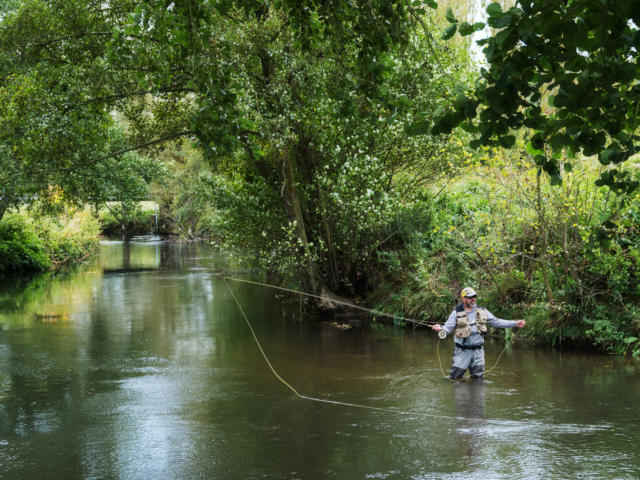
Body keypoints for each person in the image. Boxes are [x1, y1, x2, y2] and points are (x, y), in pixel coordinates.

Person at [431, 287, 525, 380]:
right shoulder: (456, 313)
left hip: (478, 352)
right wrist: (440, 329)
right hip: (462, 351)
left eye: (474, 296)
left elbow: (496, 322)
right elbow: (447, 328)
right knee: (455, 378)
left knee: (478, 379)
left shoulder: (482, 311)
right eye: (470, 297)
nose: (473, 299)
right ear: (463, 299)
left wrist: (515, 323)